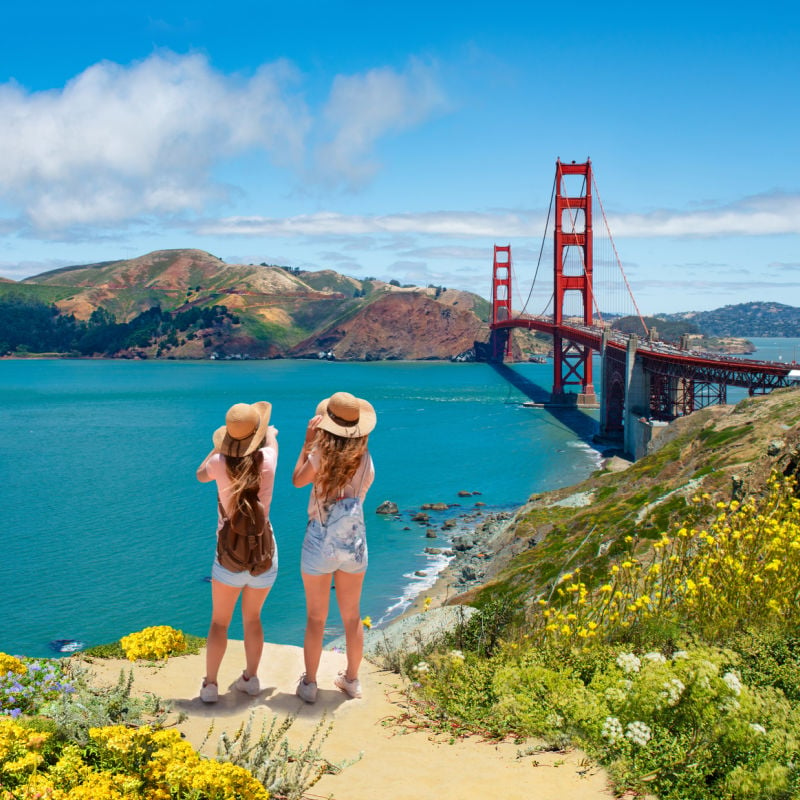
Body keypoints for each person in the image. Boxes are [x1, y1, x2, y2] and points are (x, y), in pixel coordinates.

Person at [292, 391, 376, 702]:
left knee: (316, 617)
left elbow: (298, 480)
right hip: (353, 542)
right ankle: (352, 680)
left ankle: (310, 685)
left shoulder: (319, 455)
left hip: (319, 540)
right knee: (352, 616)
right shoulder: (366, 459)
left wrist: (307, 442)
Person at [196, 401, 278, 703]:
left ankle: (210, 686)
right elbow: (271, 439)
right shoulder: (269, 458)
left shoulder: (218, 463)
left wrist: (217, 446)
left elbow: (199, 475)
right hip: (263, 555)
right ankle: (250, 679)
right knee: (253, 618)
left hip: (228, 556)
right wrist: (265, 433)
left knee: (219, 622)